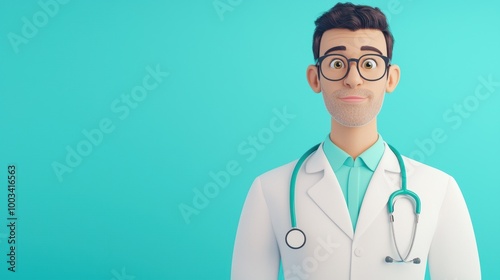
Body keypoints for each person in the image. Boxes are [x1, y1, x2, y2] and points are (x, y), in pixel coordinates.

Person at [231, 2, 481, 280]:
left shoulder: (439, 188)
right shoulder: (269, 190)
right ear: (315, 79)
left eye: (370, 64)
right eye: (337, 64)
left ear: (390, 78)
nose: (353, 79)